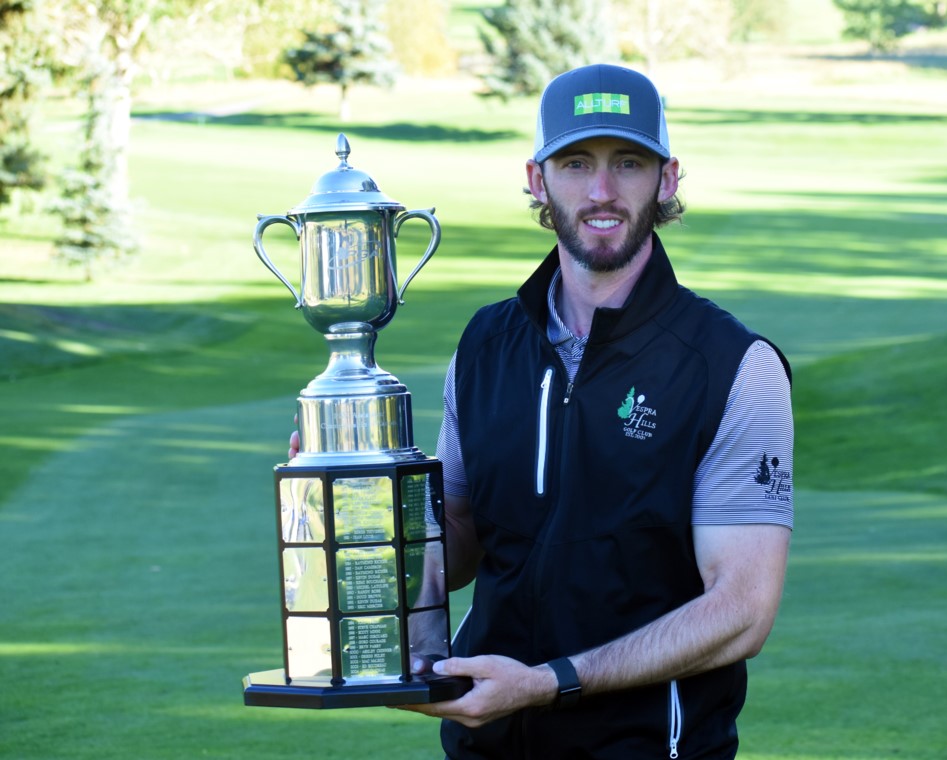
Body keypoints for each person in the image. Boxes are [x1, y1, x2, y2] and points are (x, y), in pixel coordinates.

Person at [294, 63, 794, 759]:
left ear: (668, 179)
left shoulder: (733, 367)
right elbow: (461, 538)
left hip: (647, 748)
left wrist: (549, 682)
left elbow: (740, 613)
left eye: (628, 162)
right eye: (575, 162)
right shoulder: (486, 343)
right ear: (537, 179)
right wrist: (358, 501)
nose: (601, 190)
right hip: (485, 743)